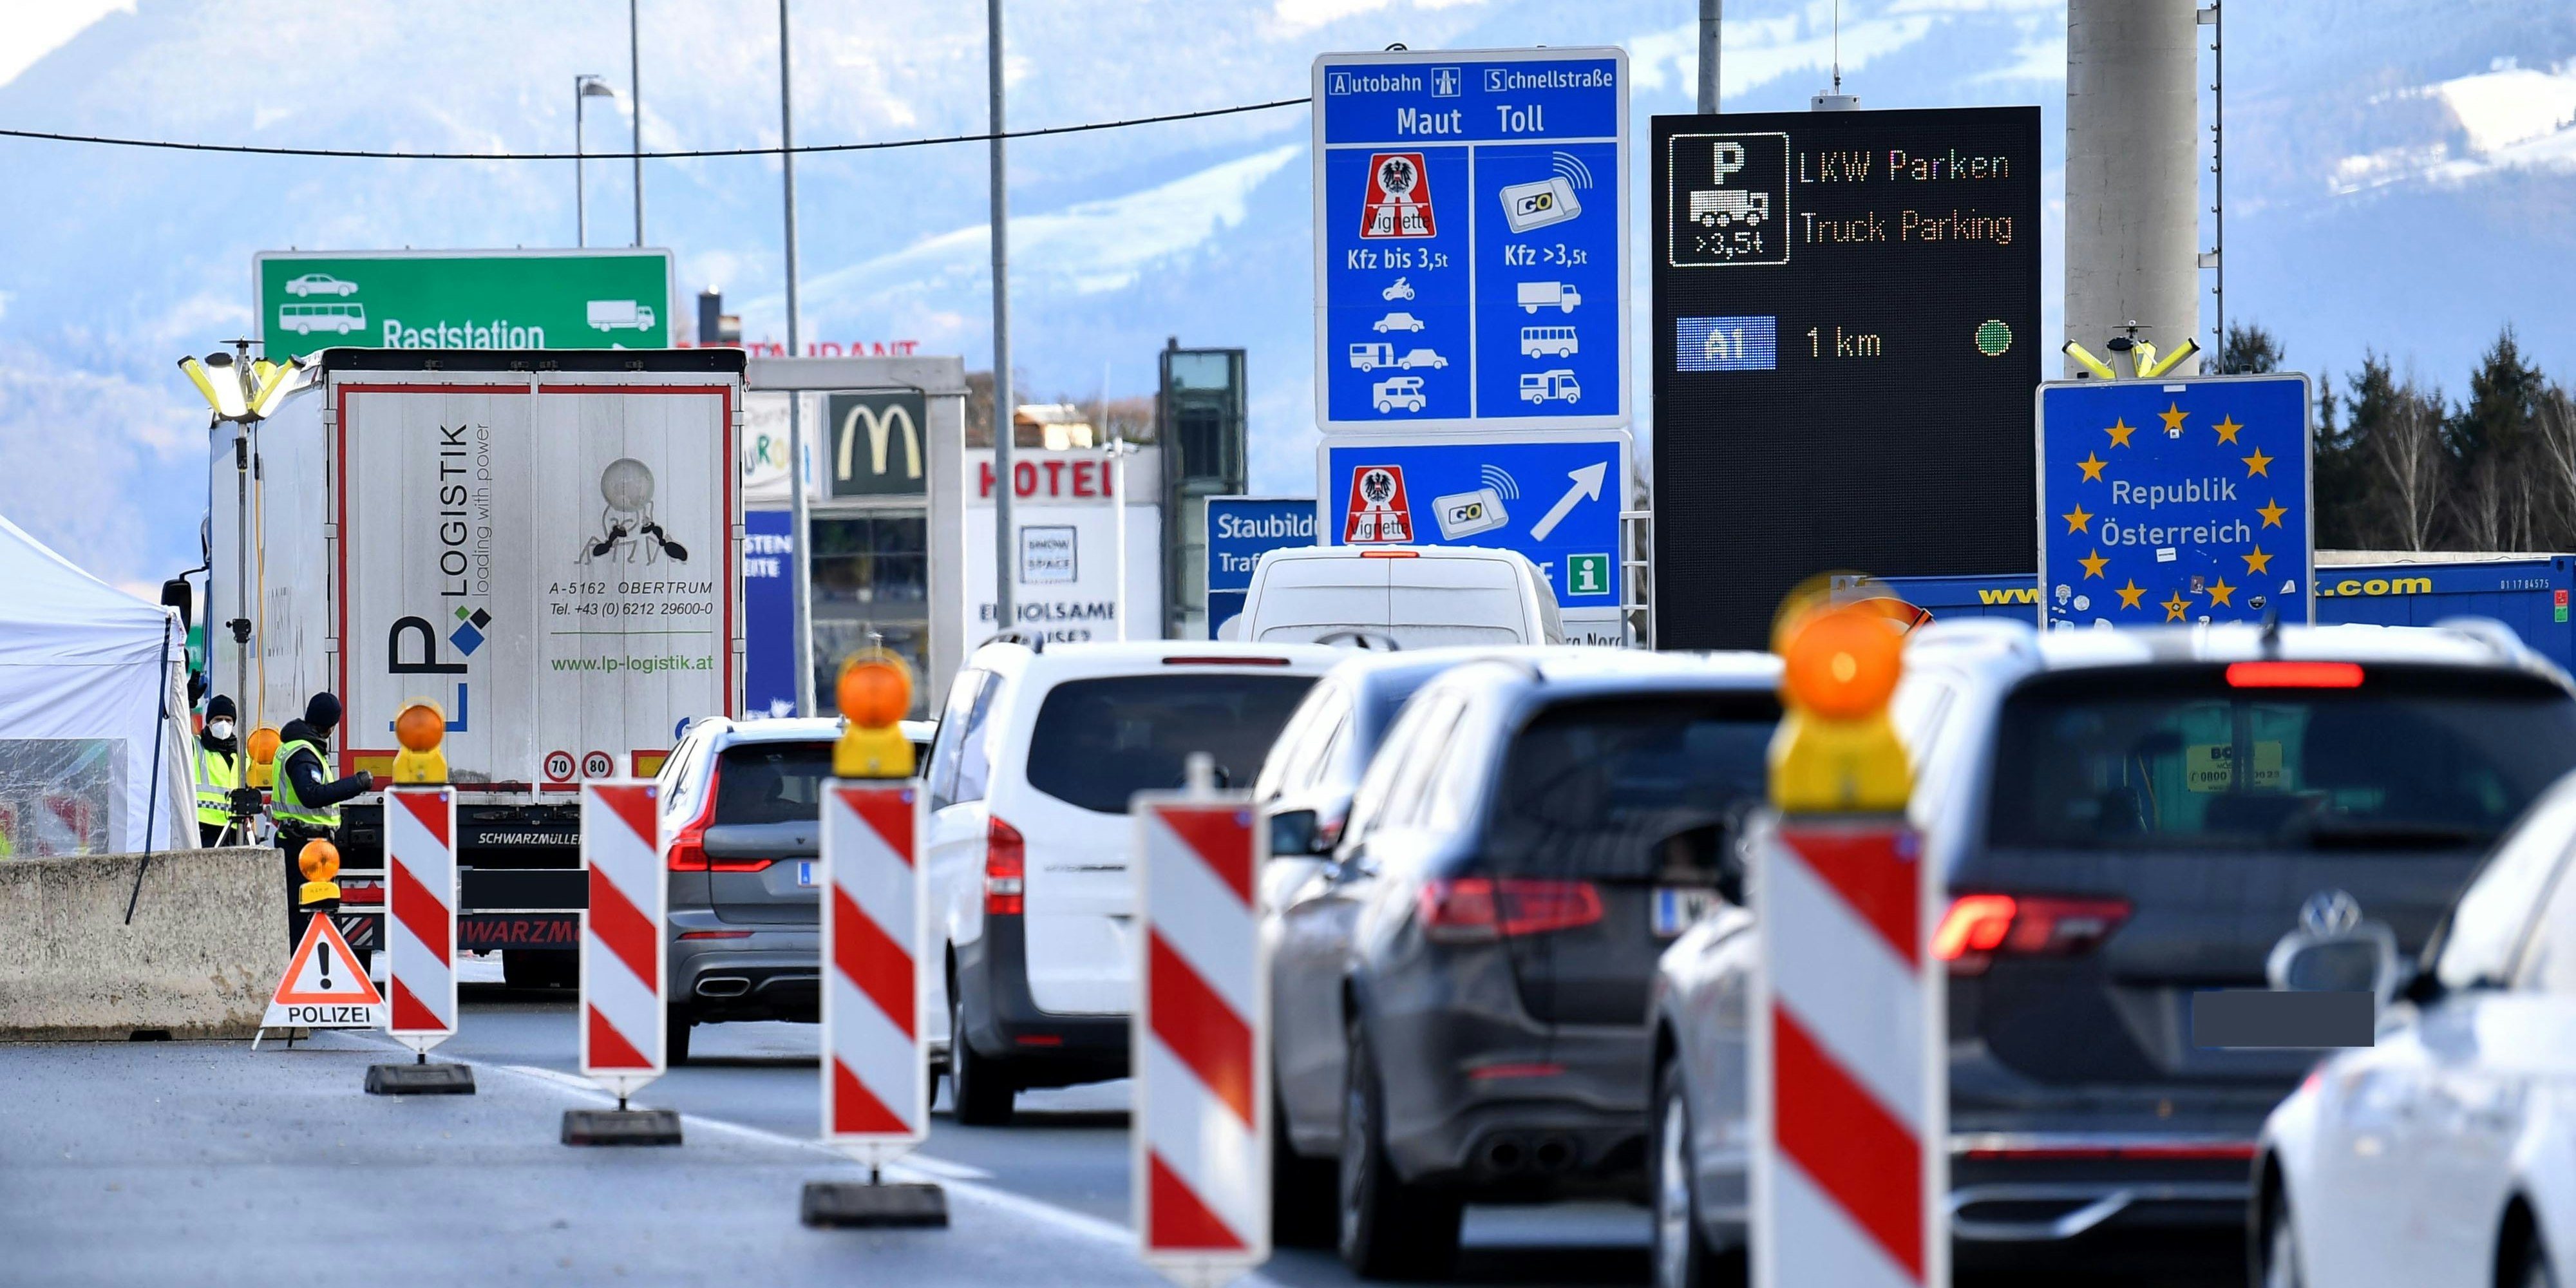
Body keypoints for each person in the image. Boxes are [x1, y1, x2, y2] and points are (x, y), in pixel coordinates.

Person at [272, 693, 374, 945]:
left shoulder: (300, 748)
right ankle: (303, 974)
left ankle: (308, 972)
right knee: (304, 916)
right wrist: (356, 784)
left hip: (306, 844)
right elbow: (311, 795)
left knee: (308, 913)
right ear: (330, 726)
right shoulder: (303, 754)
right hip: (303, 846)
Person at [193, 696, 245, 848]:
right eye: (218, 720)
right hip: (204, 828)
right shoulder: (196, 747)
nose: (223, 724)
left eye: (228, 720)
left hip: (236, 828)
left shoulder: (242, 753)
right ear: (209, 722)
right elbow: (174, 736)